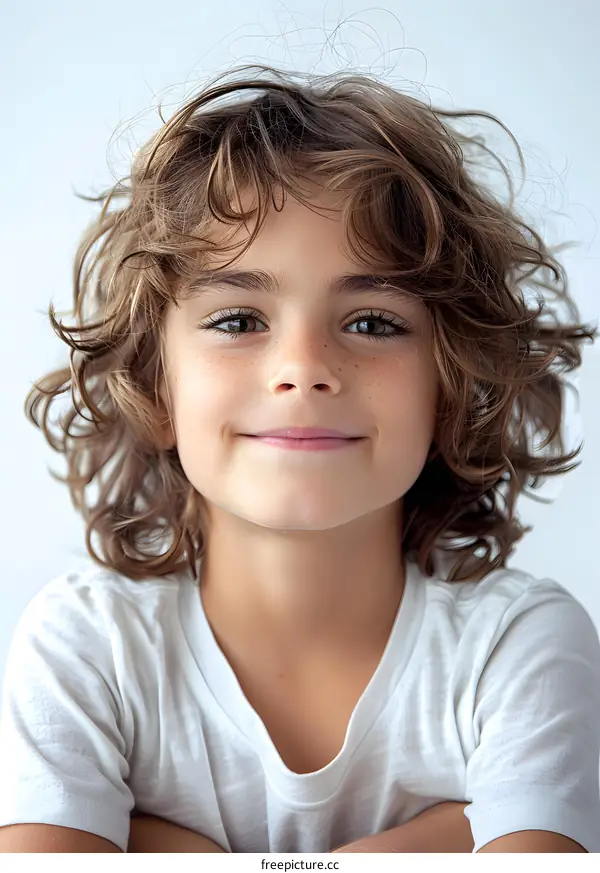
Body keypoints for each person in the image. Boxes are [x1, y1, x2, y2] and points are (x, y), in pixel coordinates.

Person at [1, 63, 599, 855]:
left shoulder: (519, 644)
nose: (304, 365)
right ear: (154, 377)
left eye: (375, 323)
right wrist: (443, 838)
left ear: (452, 378)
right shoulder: (87, 645)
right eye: (240, 317)